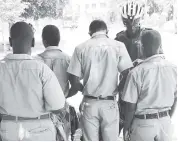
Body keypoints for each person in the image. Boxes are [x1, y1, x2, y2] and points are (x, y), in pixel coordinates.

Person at [67, 20, 133, 141]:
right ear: (107, 31)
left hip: (89, 103)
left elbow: (73, 79)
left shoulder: (80, 48)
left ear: (89, 33)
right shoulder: (118, 46)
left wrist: (84, 89)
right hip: (109, 102)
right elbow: (127, 74)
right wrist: (117, 89)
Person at [0, 22, 66, 141]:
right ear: (33, 42)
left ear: (10, 41)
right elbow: (58, 106)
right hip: (41, 131)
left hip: (7, 132)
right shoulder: (41, 69)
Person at [121, 30, 177, 141]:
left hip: (143, 124)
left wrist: (126, 128)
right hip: (165, 123)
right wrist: (166, 118)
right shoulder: (174, 68)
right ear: (160, 46)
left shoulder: (137, 71)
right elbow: (175, 98)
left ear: (141, 47)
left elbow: (130, 107)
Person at [36, 25, 81, 140]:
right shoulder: (68, 59)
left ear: (44, 41)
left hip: (41, 110)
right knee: (64, 136)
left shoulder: (36, 61)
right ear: (59, 39)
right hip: (62, 109)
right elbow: (75, 86)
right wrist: (63, 96)